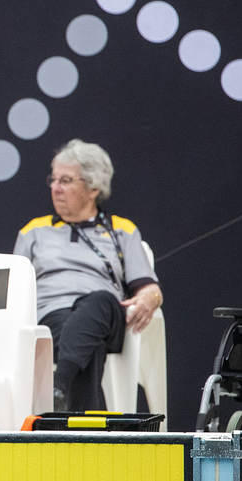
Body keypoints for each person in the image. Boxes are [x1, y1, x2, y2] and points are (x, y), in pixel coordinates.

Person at [13, 140, 163, 412]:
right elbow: (14, 290)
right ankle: (82, 429)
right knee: (85, 341)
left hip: (108, 318)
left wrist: (149, 300)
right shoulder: (33, 231)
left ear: (93, 188)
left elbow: (149, 287)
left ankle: (59, 385)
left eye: (66, 180)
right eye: (53, 179)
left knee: (99, 302)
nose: (55, 188)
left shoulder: (122, 230)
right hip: (52, 319)